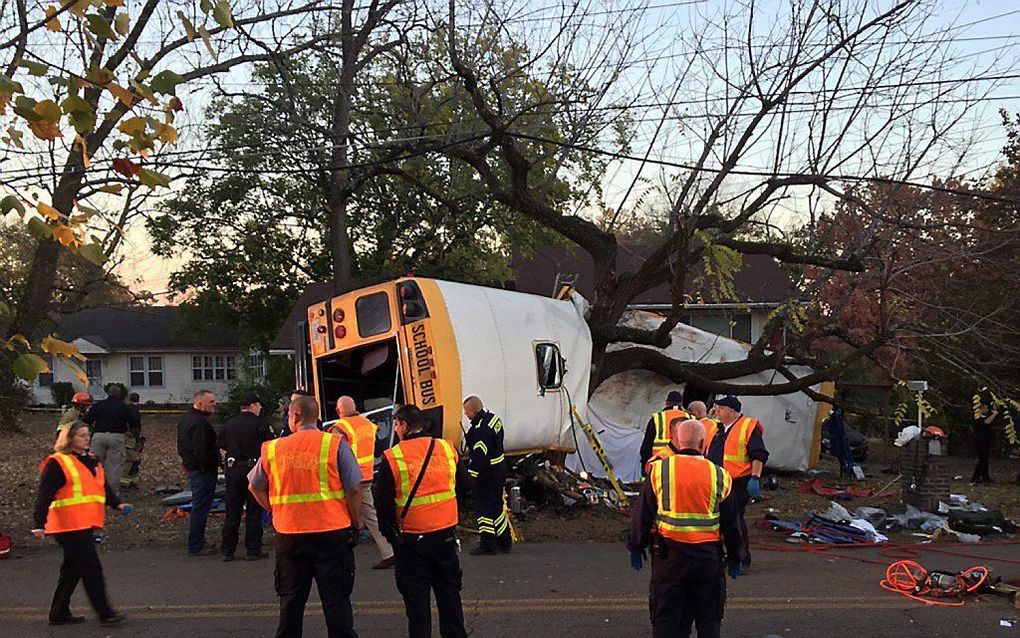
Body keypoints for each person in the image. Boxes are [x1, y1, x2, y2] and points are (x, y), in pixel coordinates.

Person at [249, 395, 364, 638]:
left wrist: (274, 509)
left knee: (291, 603)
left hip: (290, 535)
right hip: (331, 533)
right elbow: (354, 488)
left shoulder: (274, 448)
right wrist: (357, 522)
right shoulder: (334, 444)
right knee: (336, 602)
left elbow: (254, 486)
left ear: (295, 417)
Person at [628, 419, 742, 638]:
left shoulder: (659, 471)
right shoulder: (719, 475)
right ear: (703, 443)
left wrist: (636, 544)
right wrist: (737, 555)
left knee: (666, 619)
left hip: (669, 557)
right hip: (707, 559)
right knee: (708, 619)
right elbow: (732, 522)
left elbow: (643, 513)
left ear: (678, 442)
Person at [375, 404, 468, 638]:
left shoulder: (393, 457)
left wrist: (391, 535)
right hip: (445, 535)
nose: (396, 429)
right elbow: (465, 486)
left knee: (417, 605)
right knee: (449, 596)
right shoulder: (447, 448)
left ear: (404, 425)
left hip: (411, 540)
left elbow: (383, 503)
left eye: (396, 424)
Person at [32, 421, 131, 626]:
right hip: (67, 525)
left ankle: (59, 613)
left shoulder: (91, 460)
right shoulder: (58, 462)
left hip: (84, 524)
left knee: (72, 569)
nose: (87, 438)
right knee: (91, 568)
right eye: (81, 435)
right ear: (69, 439)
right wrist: (39, 523)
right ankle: (106, 614)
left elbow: (101, 487)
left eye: (88, 435)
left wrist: (117, 504)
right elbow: (44, 494)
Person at [329, 395, 395, 569]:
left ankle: (337, 555)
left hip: (347, 479)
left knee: (338, 515)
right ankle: (390, 552)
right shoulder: (368, 424)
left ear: (338, 410)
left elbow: (335, 453)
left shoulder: (340, 428)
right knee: (371, 516)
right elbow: (378, 447)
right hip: (366, 476)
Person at [707, 396, 768, 571]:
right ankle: (723, 556)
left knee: (734, 519)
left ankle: (741, 558)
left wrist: (755, 477)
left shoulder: (748, 427)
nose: (717, 411)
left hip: (738, 481)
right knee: (717, 520)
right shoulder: (717, 429)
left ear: (732, 411)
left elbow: (759, 454)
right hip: (718, 481)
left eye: (720, 408)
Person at [218, 392, 273, 561]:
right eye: (259, 406)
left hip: (233, 471)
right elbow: (270, 446)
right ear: (253, 405)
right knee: (254, 511)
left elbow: (221, 445)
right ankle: (253, 549)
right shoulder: (261, 424)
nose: (260, 409)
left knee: (232, 511)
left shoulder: (229, 424)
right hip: (254, 470)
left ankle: (228, 550)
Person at [462, 395, 511, 555]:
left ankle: (488, 543)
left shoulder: (480, 431)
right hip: (499, 469)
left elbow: (479, 455)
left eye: (467, 411)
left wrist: (470, 476)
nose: (466, 415)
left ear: (474, 411)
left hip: (487, 474)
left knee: (483, 509)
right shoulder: (493, 419)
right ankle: (504, 540)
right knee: (496, 507)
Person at [176, 390, 220, 556]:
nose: (214, 404)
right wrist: (208, 466)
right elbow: (201, 450)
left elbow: (182, 447)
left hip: (194, 468)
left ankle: (197, 542)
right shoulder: (200, 424)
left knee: (199, 506)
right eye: (211, 402)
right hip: (202, 471)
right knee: (201, 507)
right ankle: (196, 545)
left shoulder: (187, 419)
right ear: (200, 402)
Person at [82, 385, 139, 497]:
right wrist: (136, 440)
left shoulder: (98, 405)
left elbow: (86, 420)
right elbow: (134, 425)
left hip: (98, 436)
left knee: (95, 464)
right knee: (114, 467)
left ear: (108, 393)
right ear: (120, 394)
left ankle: (93, 490)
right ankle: (111, 494)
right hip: (116, 437)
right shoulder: (124, 407)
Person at [639, 390, 691, 475]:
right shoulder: (690, 418)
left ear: (667, 403)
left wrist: (645, 464)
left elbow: (647, 445)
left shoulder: (657, 418)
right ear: (681, 403)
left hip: (658, 465)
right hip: (683, 466)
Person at [121, 393, 144, 490]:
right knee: (133, 460)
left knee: (131, 460)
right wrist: (138, 439)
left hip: (125, 436)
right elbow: (136, 426)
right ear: (138, 399)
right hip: (131, 438)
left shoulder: (125, 409)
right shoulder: (135, 411)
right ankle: (126, 482)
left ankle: (129, 481)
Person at [971, 403, 998, 484]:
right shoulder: (978, 418)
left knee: (985, 459)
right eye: (984, 408)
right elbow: (986, 422)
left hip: (986, 441)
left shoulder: (985, 416)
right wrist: (994, 415)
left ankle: (985, 477)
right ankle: (975, 477)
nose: (986, 410)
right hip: (980, 441)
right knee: (982, 459)